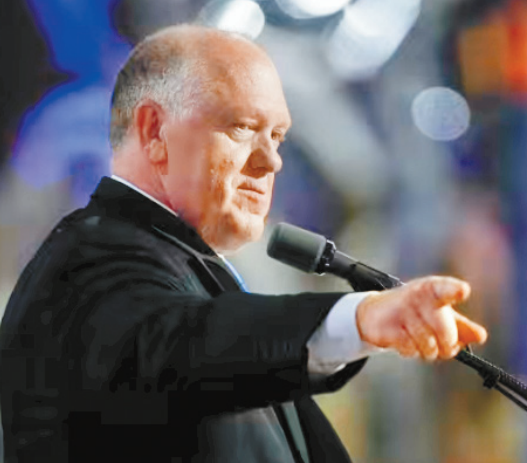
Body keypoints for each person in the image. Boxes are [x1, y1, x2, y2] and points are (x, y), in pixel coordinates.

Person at [0, 25, 487, 463]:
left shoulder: (177, 263)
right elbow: (185, 342)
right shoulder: (91, 260)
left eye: (277, 136)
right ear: (154, 132)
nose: (271, 161)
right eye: (242, 128)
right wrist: (356, 319)